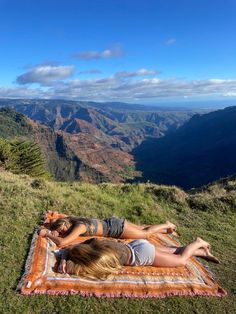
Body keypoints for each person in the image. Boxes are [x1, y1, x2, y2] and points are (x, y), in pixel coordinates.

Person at [57, 237, 219, 280]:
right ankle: (201, 252)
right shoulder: (94, 243)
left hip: (140, 255)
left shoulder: (99, 259)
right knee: (173, 250)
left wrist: (64, 261)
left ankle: (198, 243)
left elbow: (67, 268)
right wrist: (65, 255)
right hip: (136, 245)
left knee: (181, 260)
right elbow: (69, 248)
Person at [38, 216, 178, 247]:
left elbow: (62, 244)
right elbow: (61, 234)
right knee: (142, 229)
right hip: (114, 222)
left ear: (65, 223)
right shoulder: (76, 221)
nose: (63, 233)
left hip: (116, 229)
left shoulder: (78, 227)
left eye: (62, 229)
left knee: (146, 234)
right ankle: (167, 230)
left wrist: (47, 234)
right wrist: (54, 230)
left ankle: (166, 224)